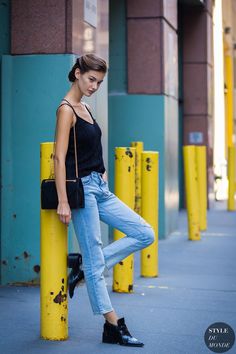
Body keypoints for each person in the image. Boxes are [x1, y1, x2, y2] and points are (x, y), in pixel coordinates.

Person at [54, 53, 155, 347]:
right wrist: (63, 200)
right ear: (76, 73)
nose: (94, 86)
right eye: (91, 79)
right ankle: (113, 326)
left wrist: (103, 170)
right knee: (97, 256)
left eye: (99, 82)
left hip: (99, 186)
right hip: (82, 191)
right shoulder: (66, 110)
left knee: (143, 232)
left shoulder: (86, 108)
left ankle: (85, 267)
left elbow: (89, 146)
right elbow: (59, 158)